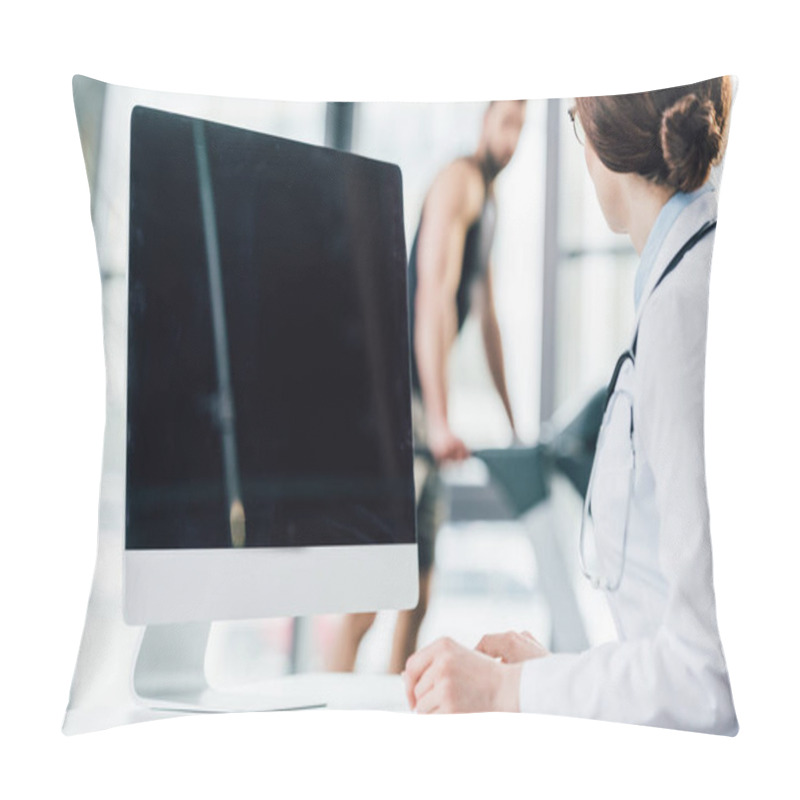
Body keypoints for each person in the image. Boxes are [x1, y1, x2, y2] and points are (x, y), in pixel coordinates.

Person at [402, 77, 739, 735]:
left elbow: (706, 678)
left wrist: (509, 689)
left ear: (592, 131)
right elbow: (443, 304)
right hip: (417, 411)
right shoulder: (690, 273)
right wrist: (547, 676)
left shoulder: (681, 310)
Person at [327, 100, 526, 674]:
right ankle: (329, 719)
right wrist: (438, 419)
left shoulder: (490, 201)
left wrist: (513, 423)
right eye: (506, 121)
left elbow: (486, 322)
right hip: (399, 408)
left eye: (522, 127)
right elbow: (433, 297)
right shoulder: (456, 183)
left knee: (419, 591)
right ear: (485, 118)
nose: (512, 139)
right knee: (368, 599)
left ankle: (392, 707)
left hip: (423, 412)